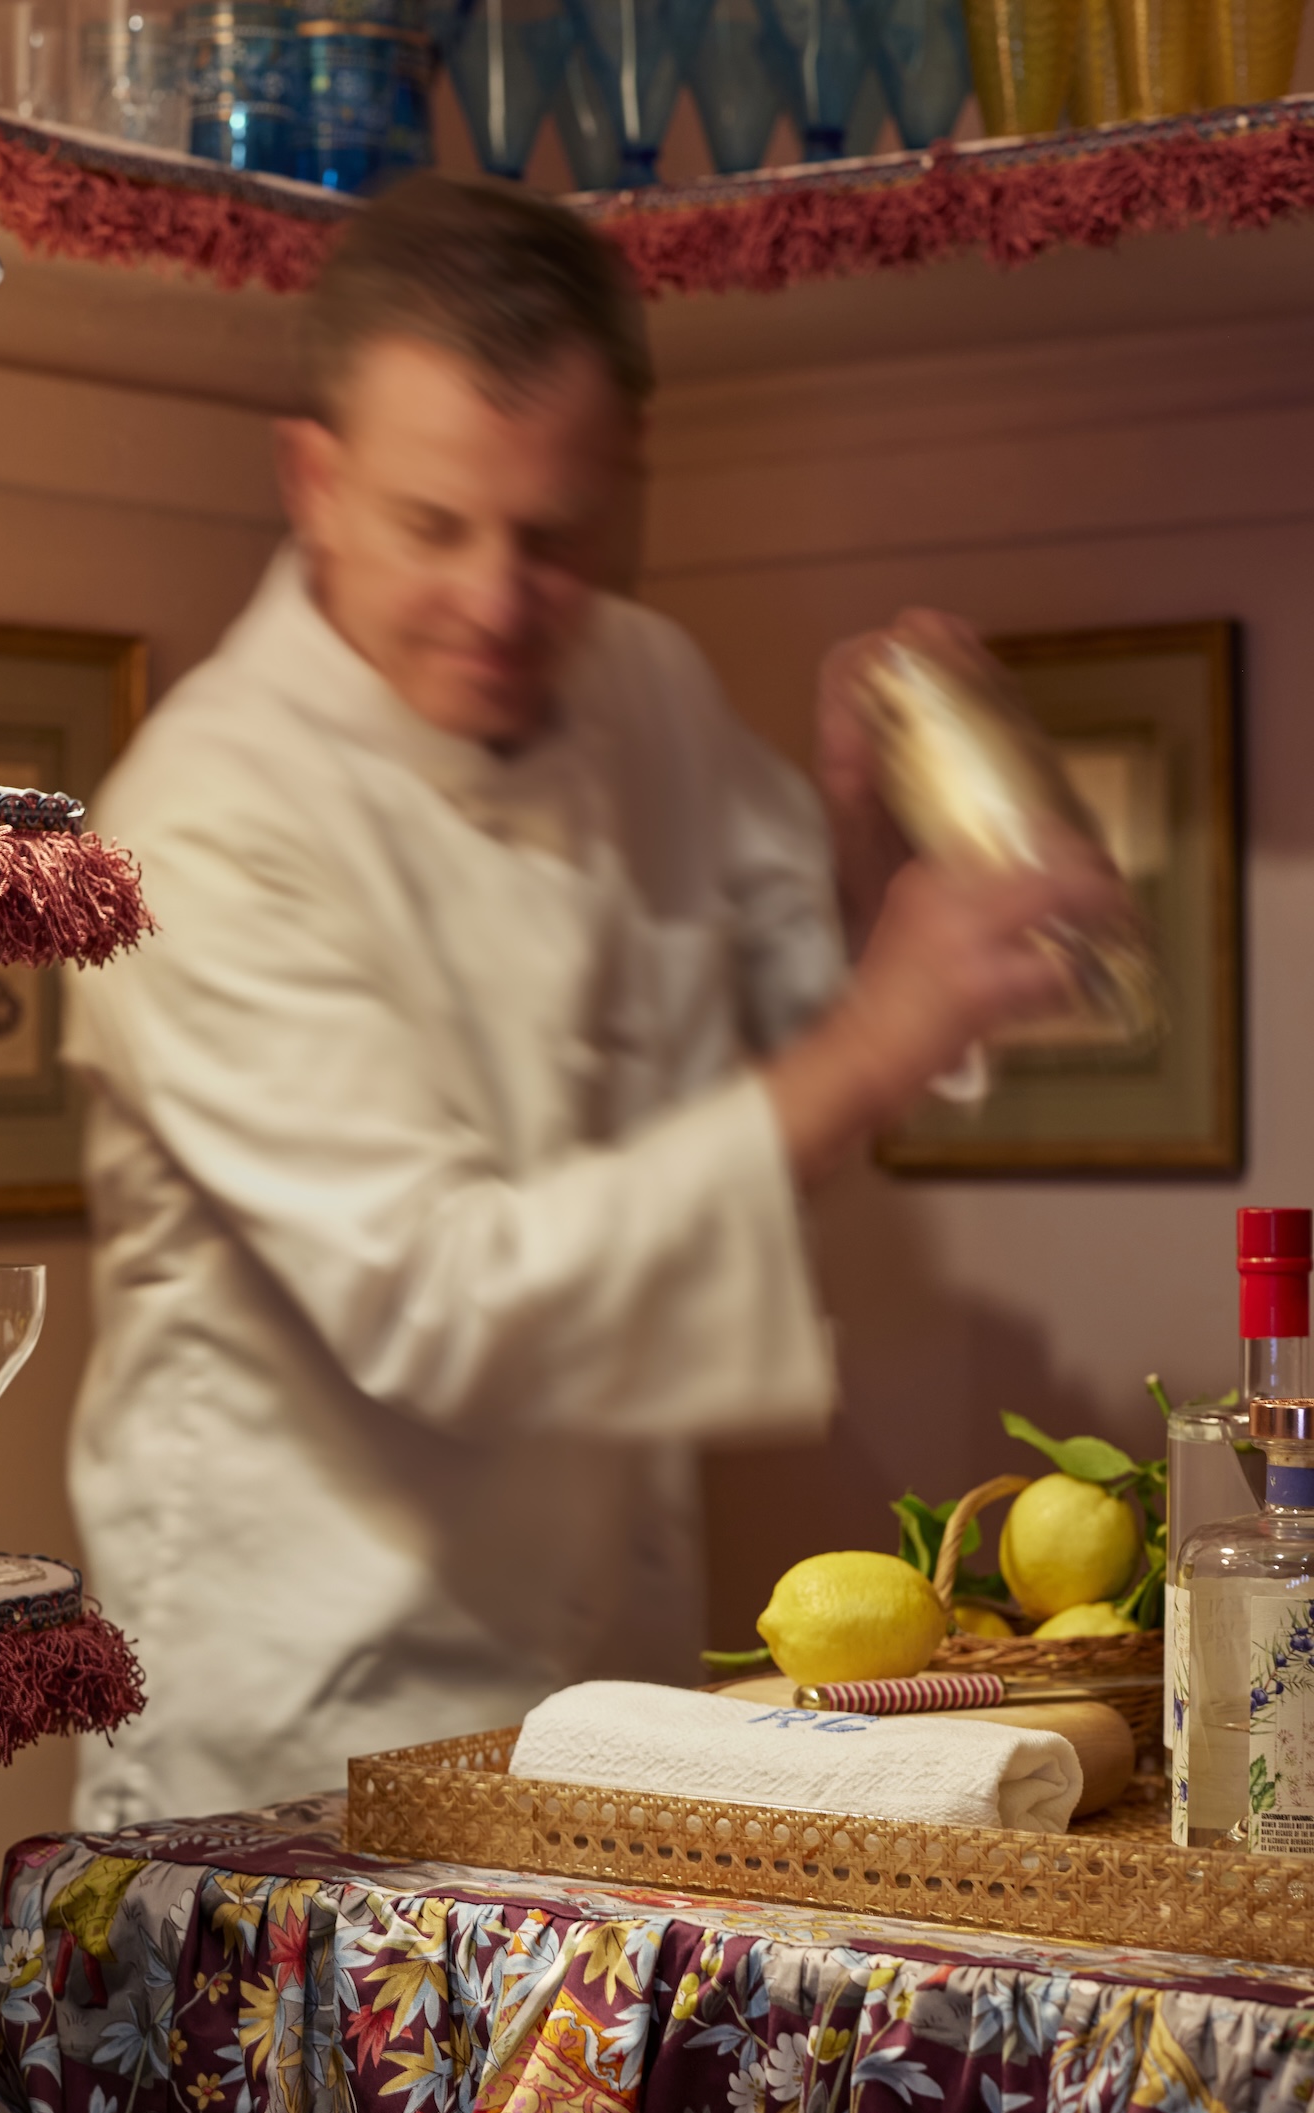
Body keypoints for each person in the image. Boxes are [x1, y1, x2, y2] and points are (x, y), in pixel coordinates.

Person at [64, 175, 1127, 1826]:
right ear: (316, 482)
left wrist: (875, 850)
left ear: (627, 486)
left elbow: (794, 1043)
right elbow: (449, 1298)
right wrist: (878, 1033)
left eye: (553, 537)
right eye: (435, 526)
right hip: (300, 1725)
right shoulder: (197, 823)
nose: (499, 601)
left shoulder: (642, 683)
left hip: (620, 1696)